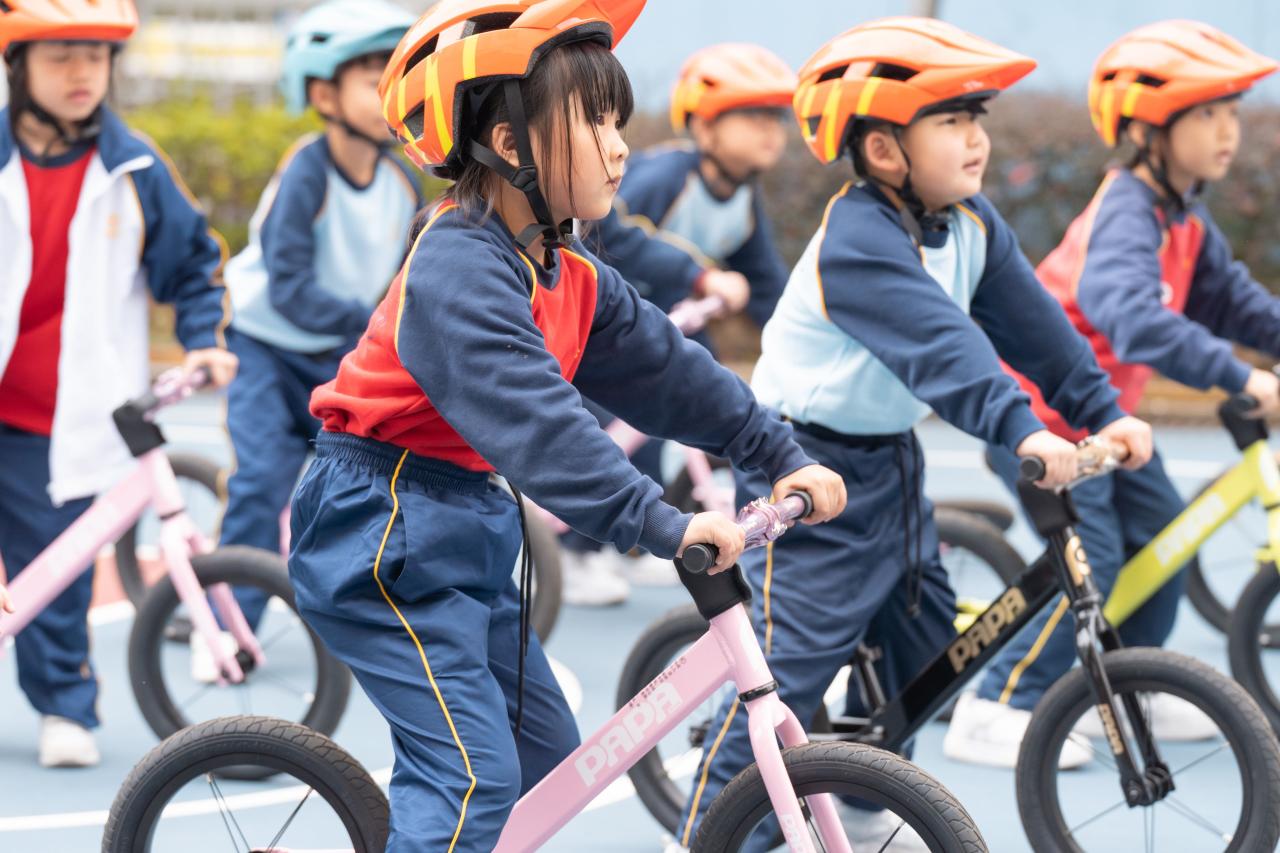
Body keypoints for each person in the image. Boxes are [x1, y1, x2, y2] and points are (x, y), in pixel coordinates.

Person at [284, 1, 846, 850]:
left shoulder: (566, 268)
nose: (620, 147)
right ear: (510, 144)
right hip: (379, 527)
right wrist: (659, 519)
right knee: (473, 777)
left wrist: (775, 451)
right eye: (595, 123)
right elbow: (539, 422)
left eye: (618, 122)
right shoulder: (456, 264)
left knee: (547, 765)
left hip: (463, 522)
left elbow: (669, 369)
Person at [671, 17, 1153, 851]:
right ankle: (707, 832)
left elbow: (1036, 327)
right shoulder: (859, 240)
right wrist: (1020, 428)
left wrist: (1101, 408)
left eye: (978, 120)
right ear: (885, 150)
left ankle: (862, 802)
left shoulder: (969, 222)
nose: (976, 139)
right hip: (805, 467)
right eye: (952, 121)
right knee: (786, 674)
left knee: (926, 647)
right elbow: (945, 348)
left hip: (892, 462)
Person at [946, 19, 1280, 766]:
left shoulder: (1180, 214)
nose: (1229, 131)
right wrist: (1240, 376)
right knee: (1090, 552)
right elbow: (1128, 314)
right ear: (1145, 128)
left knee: (1165, 534)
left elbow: (1234, 303)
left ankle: (1130, 683)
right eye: (1208, 113)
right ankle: (998, 701)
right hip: (1038, 416)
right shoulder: (1127, 209)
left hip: (1099, 422)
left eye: (1232, 112)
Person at [0, 0, 236, 767]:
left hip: (55, 416)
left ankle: (63, 706)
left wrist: (203, 342)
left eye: (95, 57)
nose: (81, 73)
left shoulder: (134, 168)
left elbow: (193, 264)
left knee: (57, 570)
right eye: (60, 55)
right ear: (18, 66)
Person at [564, 41, 799, 604]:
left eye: (776, 118)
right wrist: (699, 275)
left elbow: (766, 282)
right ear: (705, 127)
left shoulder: (742, 198)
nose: (771, 131)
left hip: (669, 318)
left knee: (677, 414)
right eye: (752, 116)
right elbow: (606, 232)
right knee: (604, 430)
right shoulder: (668, 174)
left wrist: (800, 338)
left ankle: (632, 544)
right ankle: (573, 551)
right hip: (605, 319)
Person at [216, 0, 419, 636]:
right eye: (373, 82)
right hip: (265, 348)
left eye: (396, 83)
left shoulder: (400, 184)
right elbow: (290, 289)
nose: (389, 97)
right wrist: (369, 325)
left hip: (335, 352)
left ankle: (354, 606)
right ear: (324, 94)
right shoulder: (307, 171)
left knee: (366, 476)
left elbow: (401, 287)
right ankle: (227, 624)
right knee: (261, 480)